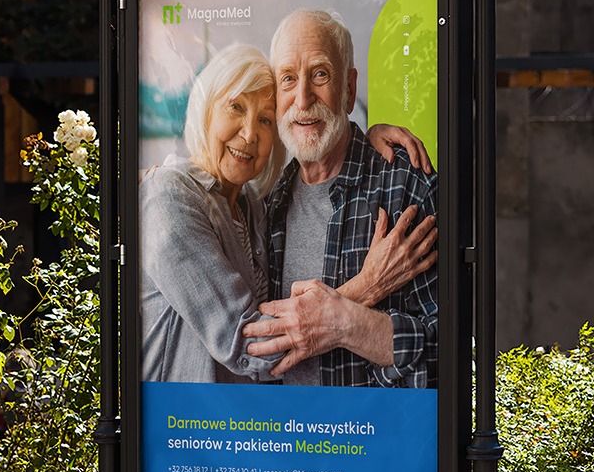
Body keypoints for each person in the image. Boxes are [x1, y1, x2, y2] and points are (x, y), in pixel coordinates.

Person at [140, 43, 435, 384]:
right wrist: (367, 287)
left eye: (265, 119)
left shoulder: (254, 205)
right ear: (205, 110)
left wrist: (364, 142)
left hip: (250, 431)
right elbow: (248, 343)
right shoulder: (170, 196)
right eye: (235, 107)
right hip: (185, 429)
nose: (250, 134)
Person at [243, 8, 439, 388]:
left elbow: (447, 349)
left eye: (320, 74)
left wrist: (344, 323)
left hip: (370, 441)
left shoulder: (405, 187)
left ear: (349, 89)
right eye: (287, 79)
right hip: (279, 442)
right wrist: (365, 288)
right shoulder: (265, 203)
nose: (302, 99)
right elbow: (250, 347)